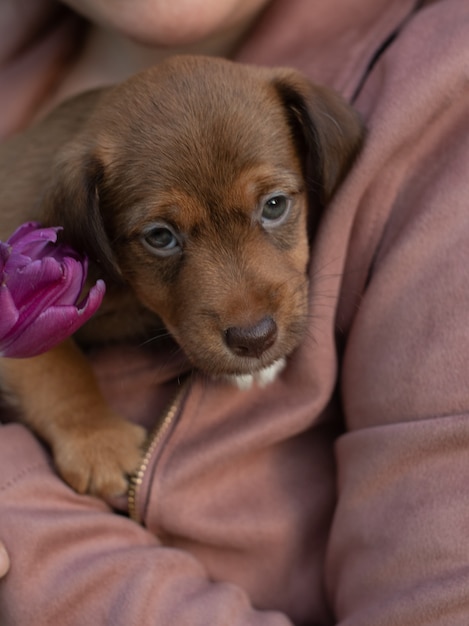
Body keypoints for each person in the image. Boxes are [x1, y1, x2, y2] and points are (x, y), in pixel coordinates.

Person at [1, 0, 469, 624]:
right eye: (163, 236)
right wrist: (79, 420)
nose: (248, 313)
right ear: (91, 233)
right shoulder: (57, 180)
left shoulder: (433, 101)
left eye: (274, 205)